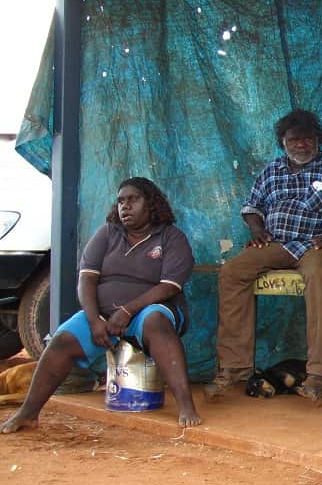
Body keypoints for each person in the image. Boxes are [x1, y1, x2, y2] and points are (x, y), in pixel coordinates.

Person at [205, 109, 322, 402]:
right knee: (233, 271)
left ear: (318, 139)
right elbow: (251, 208)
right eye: (293, 140)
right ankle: (234, 368)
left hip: (318, 246)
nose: (301, 145)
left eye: (307, 139)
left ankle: (317, 374)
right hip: (277, 245)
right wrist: (257, 229)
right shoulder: (271, 170)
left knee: (316, 275)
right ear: (283, 141)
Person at [1, 177, 201, 433]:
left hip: (148, 309)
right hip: (103, 312)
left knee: (157, 324)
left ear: (151, 203)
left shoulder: (171, 237)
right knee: (61, 340)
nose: (125, 207)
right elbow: (86, 279)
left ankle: (186, 406)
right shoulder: (107, 233)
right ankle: (28, 413)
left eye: (133, 200)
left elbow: (169, 286)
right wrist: (95, 319)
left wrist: (127, 311)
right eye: (120, 201)